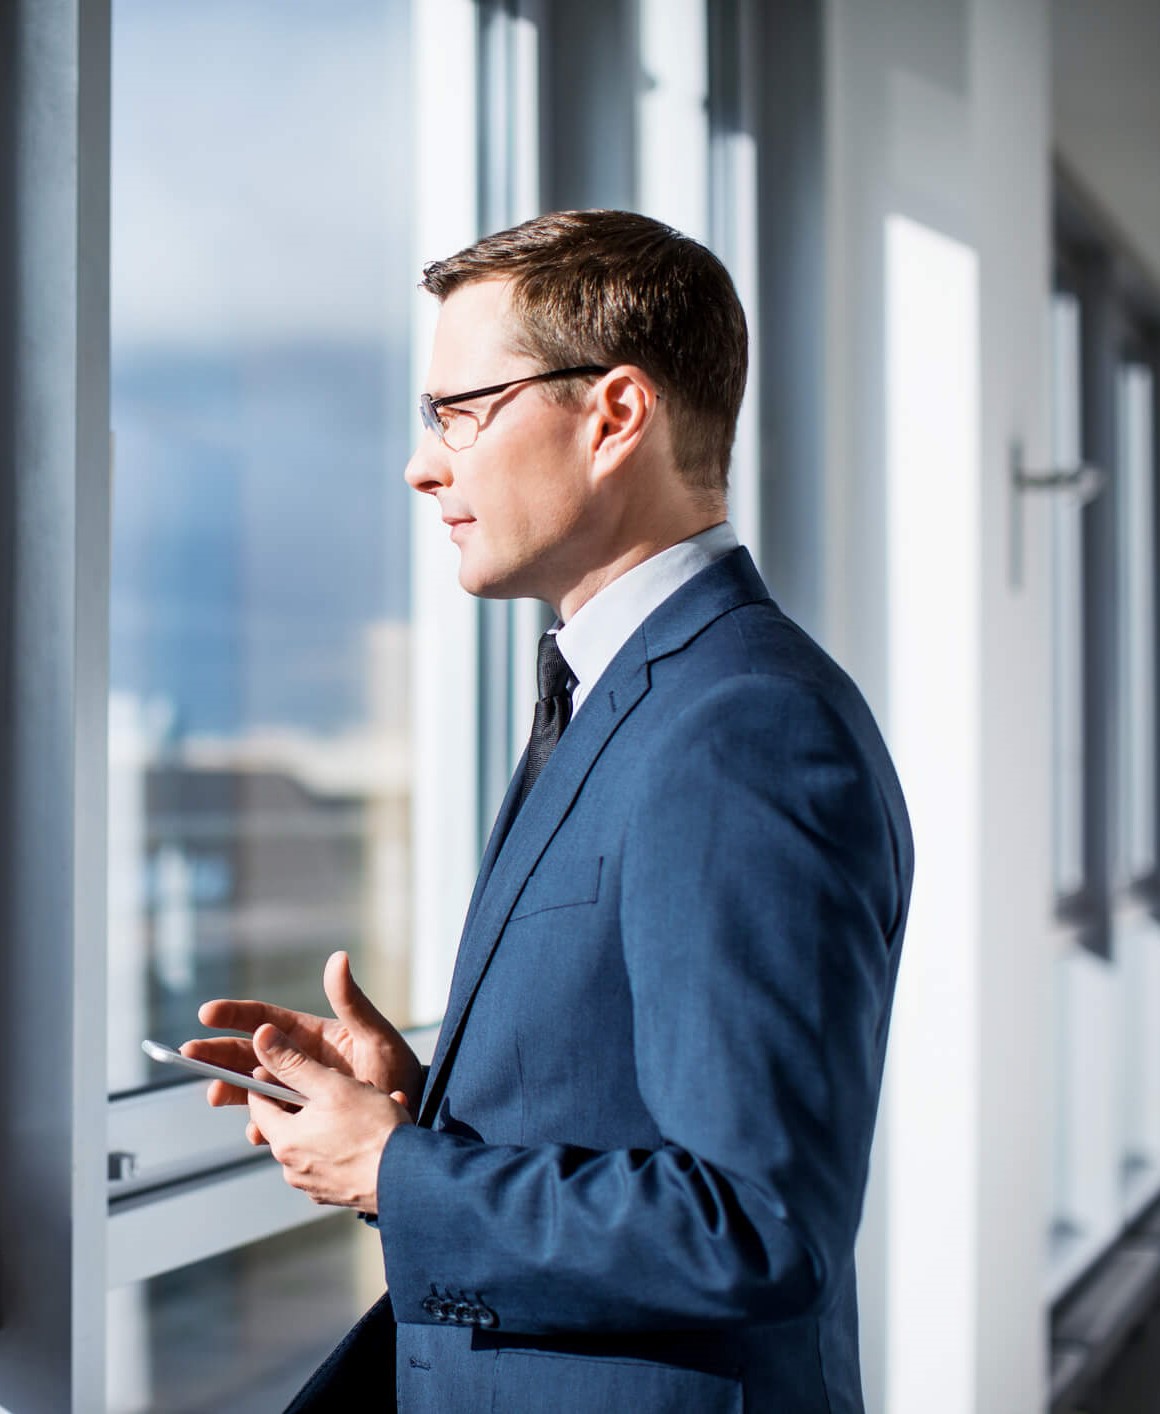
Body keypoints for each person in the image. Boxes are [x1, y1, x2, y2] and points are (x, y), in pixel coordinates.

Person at [183, 209, 913, 1413]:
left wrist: (390, 1169)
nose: (425, 465)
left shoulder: (741, 726)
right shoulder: (622, 696)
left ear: (613, 414)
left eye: (459, 412)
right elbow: (626, 1106)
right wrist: (423, 1107)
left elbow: (754, 1224)